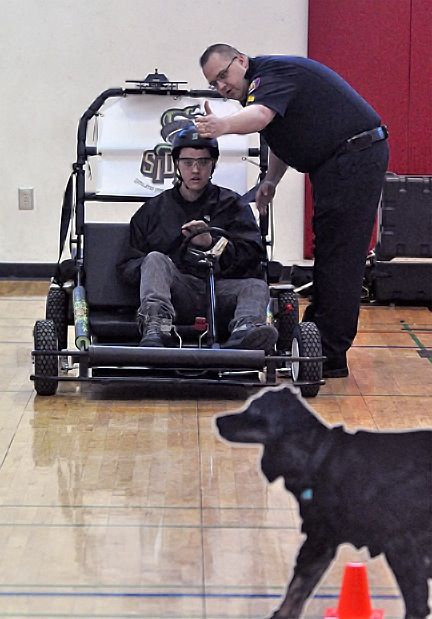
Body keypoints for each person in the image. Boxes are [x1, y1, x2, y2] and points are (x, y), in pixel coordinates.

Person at [196, 44, 390, 378]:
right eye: (214, 83)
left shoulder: (271, 74)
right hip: (340, 163)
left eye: (223, 76)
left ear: (241, 60)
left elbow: (260, 119)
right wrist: (271, 181)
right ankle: (320, 345)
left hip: (353, 157)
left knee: (339, 258)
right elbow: (280, 132)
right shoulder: (260, 90)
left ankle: (328, 355)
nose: (222, 87)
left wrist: (221, 127)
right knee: (330, 253)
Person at [118, 126, 278, 352]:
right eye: (187, 162)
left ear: (213, 164)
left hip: (220, 291)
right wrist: (166, 266)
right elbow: (128, 264)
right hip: (176, 293)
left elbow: (253, 258)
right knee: (154, 259)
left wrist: (211, 243)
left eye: (203, 162)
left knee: (257, 286)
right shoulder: (153, 211)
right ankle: (156, 325)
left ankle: (246, 329)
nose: (195, 170)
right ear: (176, 164)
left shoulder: (232, 206)